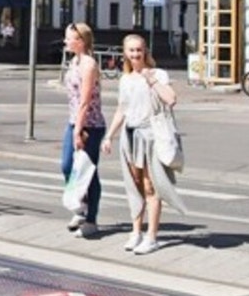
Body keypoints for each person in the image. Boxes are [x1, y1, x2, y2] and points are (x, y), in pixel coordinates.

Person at [103, 34, 187, 255]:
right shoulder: (125, 79)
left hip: (150, 138)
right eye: (131, 50)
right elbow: (122, 109)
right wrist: (109, 136)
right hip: (130, 137)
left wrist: (152, 80)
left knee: (152, 187)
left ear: (145, 51)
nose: (135, 54)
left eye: (139, 50)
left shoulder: (158, 74)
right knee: (135, 186)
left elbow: (171, 99)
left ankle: (152, 236)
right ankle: (136, 232)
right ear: (125, 53)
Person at [61, 21, 106, 238]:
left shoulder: (88, 64)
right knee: (67, 166)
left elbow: (85, 101)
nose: (66, 41)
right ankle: (81, 207)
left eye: (69, 38)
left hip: (91, 124)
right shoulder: (73, 62)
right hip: (73, 121)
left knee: (88, 171)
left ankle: (91, 219)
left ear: (80, 41)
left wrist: (78, 130)